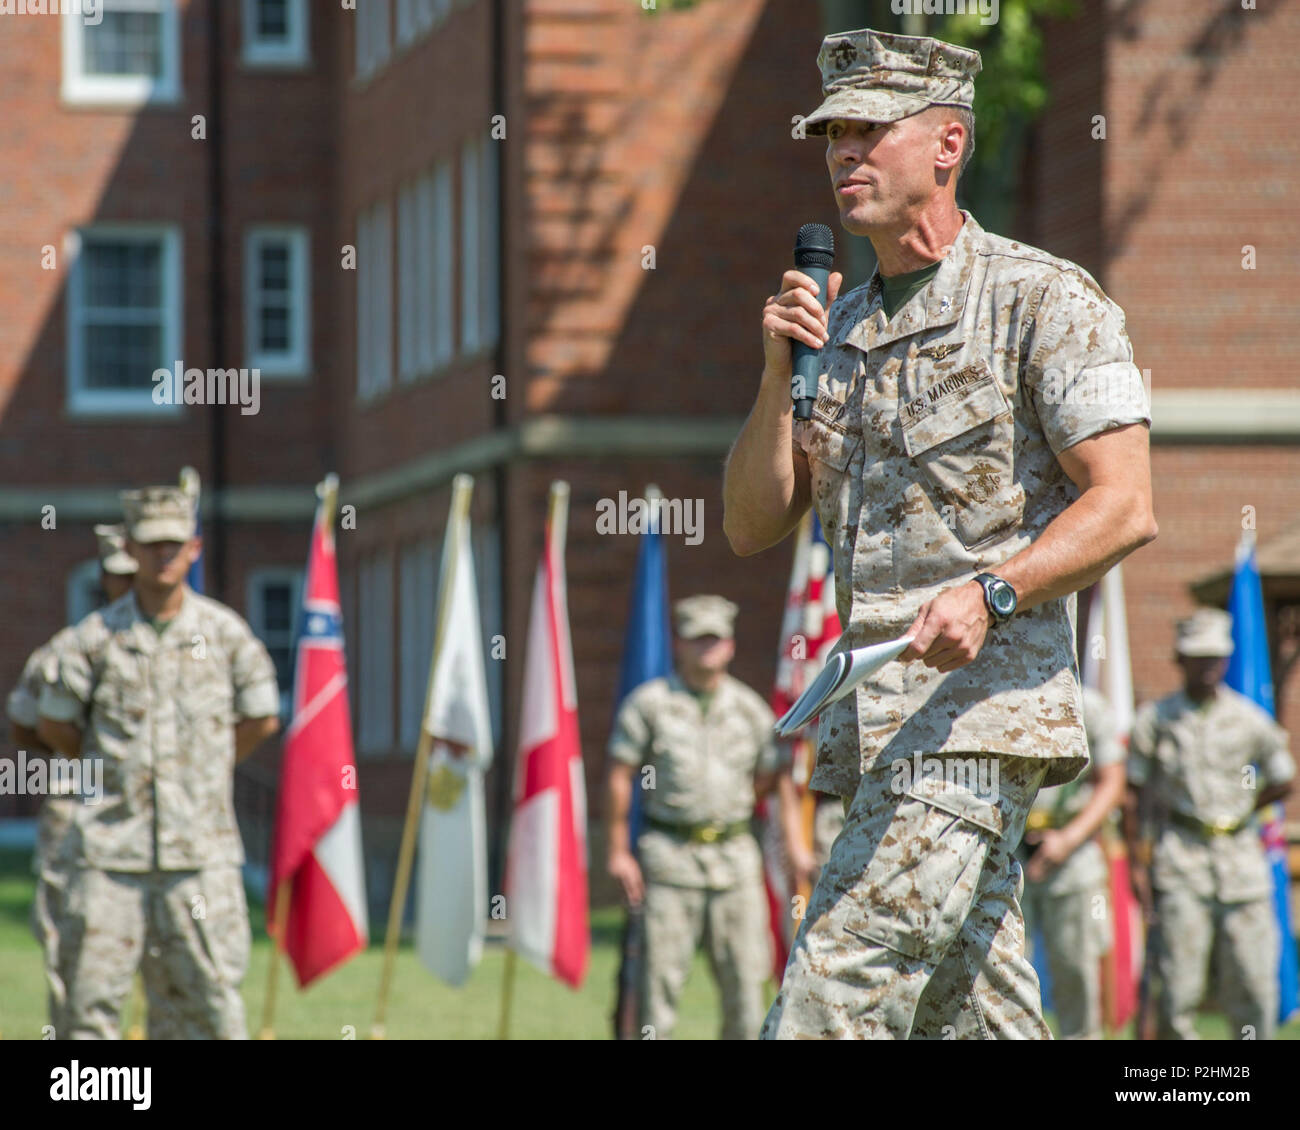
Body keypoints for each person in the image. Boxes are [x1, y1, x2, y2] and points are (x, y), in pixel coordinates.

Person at [723, 27, 1157, 1039]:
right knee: (972, 1021)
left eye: (869, 129)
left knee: (825, 1004)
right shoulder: (836, 332)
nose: (844, 154)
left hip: (973, 728)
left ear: (947, 143)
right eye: (832, 134)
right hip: (874, 735)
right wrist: (774, 372)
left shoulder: (1042, 300)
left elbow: (1124, 502)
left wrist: (993, 589)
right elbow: (751, 521)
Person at [37, 487, 281, 1040]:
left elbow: (262, 716)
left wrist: (208, 769)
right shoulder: (93, 640)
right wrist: (110, 771)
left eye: (173, 544)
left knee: (210, 1007)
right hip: (108, 857)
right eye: (150, 545)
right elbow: (55, 724)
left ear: (195, 547)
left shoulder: (224, 635)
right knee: (87, 1007)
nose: (162, 556)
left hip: (199, 858)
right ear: (129, 547)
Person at [606, 595, 791, 1039]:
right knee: (657, 994)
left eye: (715, 640)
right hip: (669, 859)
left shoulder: (749, 710)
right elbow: (620, 774)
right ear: (678, 643)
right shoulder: (649, 705)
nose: (706, 649)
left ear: (729, 645)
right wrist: (617, 851)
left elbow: (773, 773)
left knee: (748, 991)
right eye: (696, 640)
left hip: (735, 861)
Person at [1126, 608, 1295, 1040]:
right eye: (1197, 657)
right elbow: (1133, 793)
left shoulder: (1248, 718)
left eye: (1214, 657)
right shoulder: (1156, 720)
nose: (1207, 666)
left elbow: (1283, 775)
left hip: (1242, 863)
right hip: (1180, 859)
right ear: (1179, 659)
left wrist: (1246, 809)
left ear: (1226, 660)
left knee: (1254, 980)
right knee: (1178, 988)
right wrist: (1137, 864)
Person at [6, 524, 137, 1037]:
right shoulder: (71, 648)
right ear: (104, 576)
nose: (131, 584)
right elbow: (23, 718)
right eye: (121, 575)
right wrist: (79, 758)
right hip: (77, 821)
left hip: (152, 827)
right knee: (71, 953)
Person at [1018, 685, 1126, 1039]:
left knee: (1077, 973)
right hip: (1009, 855)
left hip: (1073, 855)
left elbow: (1112, 782)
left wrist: (1068, 839)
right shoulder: (997, 692)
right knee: (1005, 970)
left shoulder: (1088, 706)